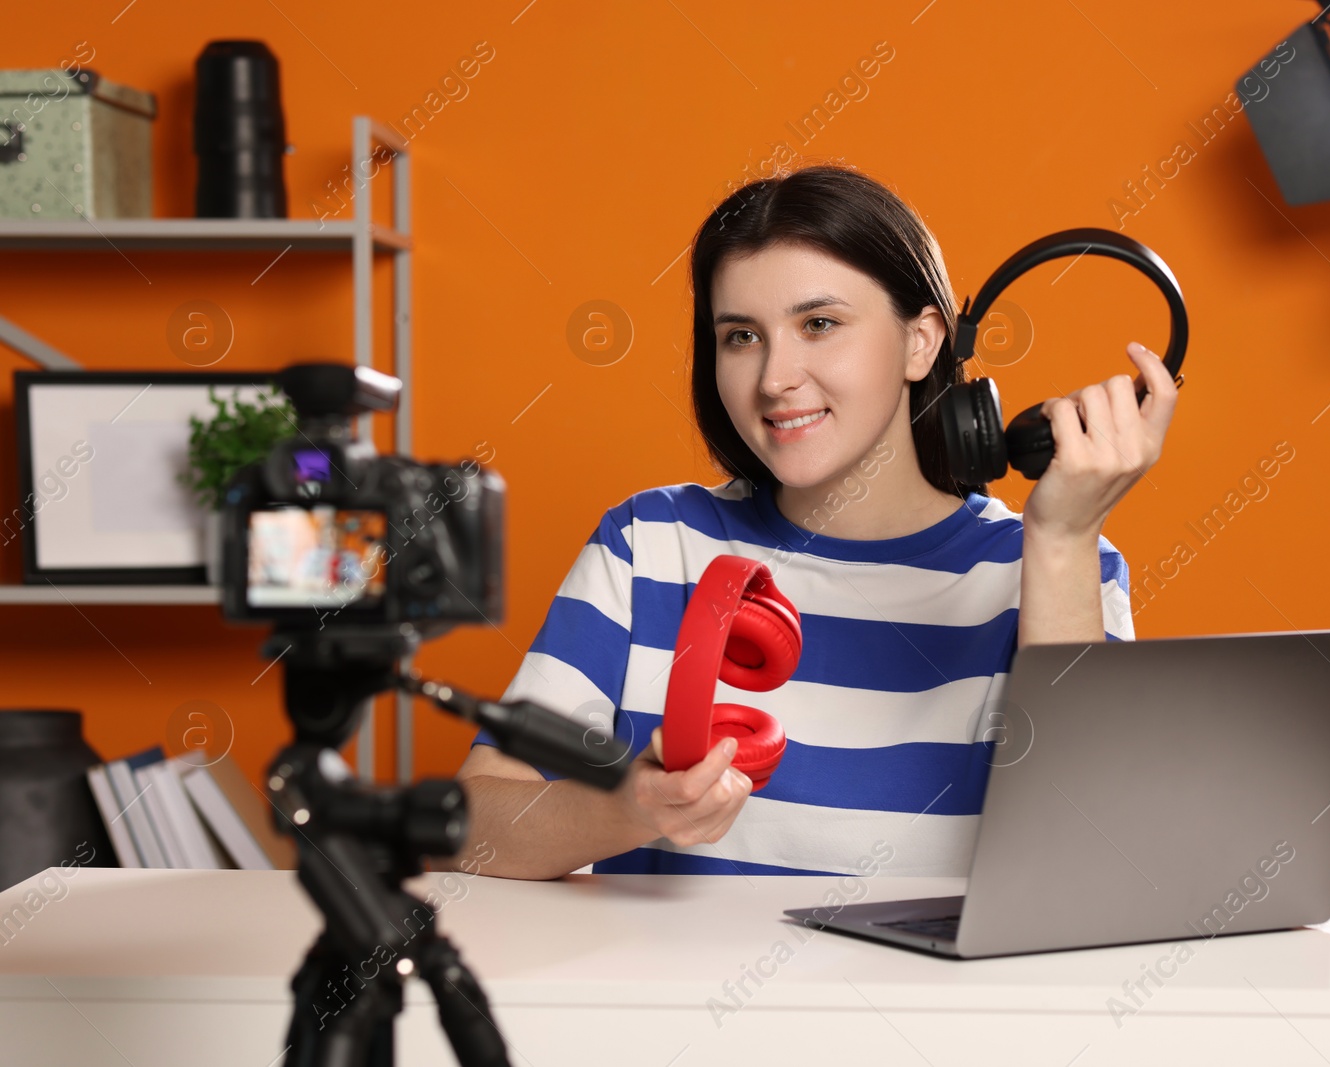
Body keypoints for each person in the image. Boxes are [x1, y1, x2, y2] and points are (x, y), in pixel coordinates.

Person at [455, 163, 1178, 880]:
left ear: (923, 341)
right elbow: (468, 825)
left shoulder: (1060, 565)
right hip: (668, 998)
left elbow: (1092, 863)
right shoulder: (649, 545)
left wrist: (1060, 541)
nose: (773, 378)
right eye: (741, 336)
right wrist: (629, 811)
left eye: (819, 323)